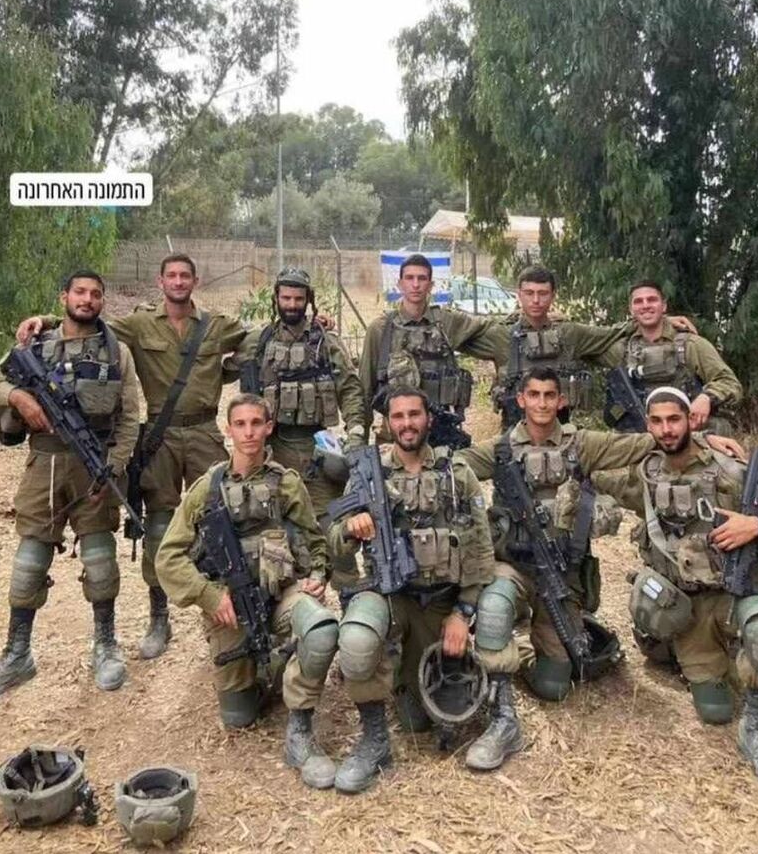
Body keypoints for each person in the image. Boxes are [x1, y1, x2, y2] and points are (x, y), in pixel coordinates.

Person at [15, 254, 251, 660]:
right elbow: (90, 324)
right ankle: (159, 617)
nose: (178, 281)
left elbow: (255, 338)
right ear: (161, 282)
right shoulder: (140, 324)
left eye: (185, 275)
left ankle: (229, 615)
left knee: (221, 519)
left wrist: (228, 369)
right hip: (158, 437)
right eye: (171, 275)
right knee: (158, 526)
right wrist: (46, 320)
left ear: (195, 281)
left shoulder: (216, 325)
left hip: (205, 432)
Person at [458, 366, 741, 701]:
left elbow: (645, 442)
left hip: (560, 575)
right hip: (512, 566)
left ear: (561, 400)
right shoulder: (501, 449)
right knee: (495, 603)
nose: (542, 403)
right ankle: (498, 690)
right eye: (534, 395)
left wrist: (703, 439)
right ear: (521, 399)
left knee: (554, 686)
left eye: (549, 395)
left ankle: (524, 649)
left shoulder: (581, 444)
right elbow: (453, 465)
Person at [596, 386, 758, 789]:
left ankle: (756, 732)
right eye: (657, 421)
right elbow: (589, 465)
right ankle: (697, 654)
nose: (666, 429)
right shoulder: (645, 474)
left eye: (674, 419)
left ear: (690, 421)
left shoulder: (730, 471)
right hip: (684, 609)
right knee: (715, 711)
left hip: (733, 595)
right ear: (647, 427)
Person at [327, 387, 518, 794]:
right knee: (357, 639)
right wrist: (350, 528)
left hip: (441, 601)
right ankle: (375, 741)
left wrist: (463, 612)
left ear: (428, 419)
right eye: (398, 416)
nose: (407, 423)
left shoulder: (456, 473)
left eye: (414, 414)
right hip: (390, 597)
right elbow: (333, 544)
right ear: (387, 424)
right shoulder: (368, 473)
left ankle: (486, 705)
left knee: (429, 719)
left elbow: (481, 551)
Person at [0, 270, 140, 698]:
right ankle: (17, 654)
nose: (87, 299)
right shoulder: (35, 344)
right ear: (64, 296)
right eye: (80, 292)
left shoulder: (116, 351)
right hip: (43, 463)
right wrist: (17, 396)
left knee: (101, 560)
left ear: (102, 301)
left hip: (93, 464)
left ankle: (106, 646)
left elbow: (130, 417)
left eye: (95, 294)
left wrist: (114, 467)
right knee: (29, 561)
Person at [155, 393, 340, 790]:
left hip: (284, 594)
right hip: (231, 610)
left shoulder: (286, 483)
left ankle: (300, 730)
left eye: (257, 423)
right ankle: (273, 666)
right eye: (240, 424)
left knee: (322, 628)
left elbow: (315, 541)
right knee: (239, 717)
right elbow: (167, 558)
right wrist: (210, 596)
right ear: (228, 430)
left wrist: (317, 575)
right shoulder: (207, 489)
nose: (249, 432)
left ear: (269, 427)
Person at [223, 267, 366, 589]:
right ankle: (284, 603)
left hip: (317, 450)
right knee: (272, 530)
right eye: (286, 298)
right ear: (276, 298)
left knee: (333, 530)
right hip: (271, 451)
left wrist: (356, 432)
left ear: (308, 300)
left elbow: (350, 389)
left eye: (298, 299)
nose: (291, 304)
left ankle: (352, 601)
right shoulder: (258, 341)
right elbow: (218, 368)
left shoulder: (326, 341)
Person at [490, 266, 696, 428]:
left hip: (560, 433)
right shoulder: (499, 334)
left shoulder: (570, 334)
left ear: (553, 295)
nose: (536, 300)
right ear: (519, 294)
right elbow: (468, 329)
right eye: (529, 293)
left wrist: (659, 321)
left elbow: (611, 333)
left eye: (543, 293)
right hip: (514, 432)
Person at [359, 254, 505, 447]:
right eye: (409, 278)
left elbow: (493, 331)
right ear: (400, 284)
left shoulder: (446, 322)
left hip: (440, 436)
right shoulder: (380, 329)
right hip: (397, 438)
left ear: (430, 285)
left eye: (422, 278)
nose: (416, 285)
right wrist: (359, 441)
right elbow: (364, 390)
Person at [602, 280, 742, 432]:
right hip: (642, 437)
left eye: (652, 300)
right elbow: (583, 339)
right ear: (631, 310)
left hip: (690, 434)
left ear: (664, 306)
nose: (645, 305)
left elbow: (729, 382)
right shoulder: (622, 350)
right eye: (638, 301)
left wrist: (707, 397)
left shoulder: (690, 345)